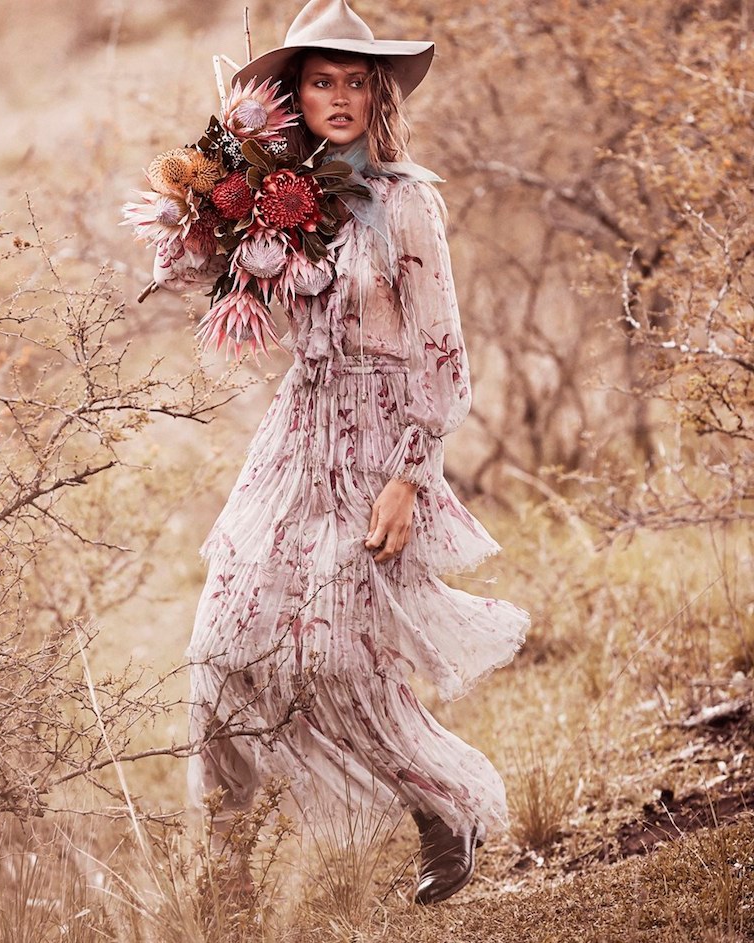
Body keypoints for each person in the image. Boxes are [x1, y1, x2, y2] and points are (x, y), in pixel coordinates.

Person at [156, 0, 530, 906]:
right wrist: (206, 203)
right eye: (321, 81)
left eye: (355, 82)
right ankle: (229, 862)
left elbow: (445, 355)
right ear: (294, 93)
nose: (339, 97)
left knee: (336, 656)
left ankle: (441, 808)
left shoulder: (407, 203)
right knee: (222, 645)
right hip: (296, 434)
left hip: (379, 444)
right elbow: (184, 281)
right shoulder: (286, 199)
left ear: (376, 95)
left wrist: (410, 475)